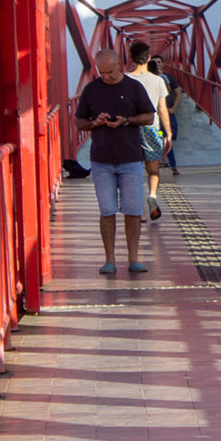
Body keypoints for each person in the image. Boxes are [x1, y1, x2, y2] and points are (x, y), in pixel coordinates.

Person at [74, 49, 155, 274]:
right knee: (107, 210)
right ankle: (109, 260)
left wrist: (126, 121)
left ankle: (133, 259)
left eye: (110, 72)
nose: (106, 76)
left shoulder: (133, 88)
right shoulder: (91, 90)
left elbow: (149, 116)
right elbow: (79, 122)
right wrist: (94, 123)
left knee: (132, 210)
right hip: (101, 160)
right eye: (102, 72)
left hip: (130, 158)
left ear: (119, 65)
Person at [127, 41, 172, 221]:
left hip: (130, 131)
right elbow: (163, 109)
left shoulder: (125, 79)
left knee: (133, 171)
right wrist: (167, 134)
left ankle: (140, 210)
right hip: (153, 130)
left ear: (131, 58)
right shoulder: (158, 80)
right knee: (153, 170)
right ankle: (152, 196)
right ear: (149, 58)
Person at [151, 54, 181, 175]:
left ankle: (167, 163)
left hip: (167, 113)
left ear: (163, 64)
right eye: (154, 62)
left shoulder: (167, 77)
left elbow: (177, 93)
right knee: (160, 138)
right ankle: (169, 165)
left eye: (159, 62)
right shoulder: (150, 78)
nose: (157, 64)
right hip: (154, 115)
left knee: (167, 138)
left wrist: (174, 108)